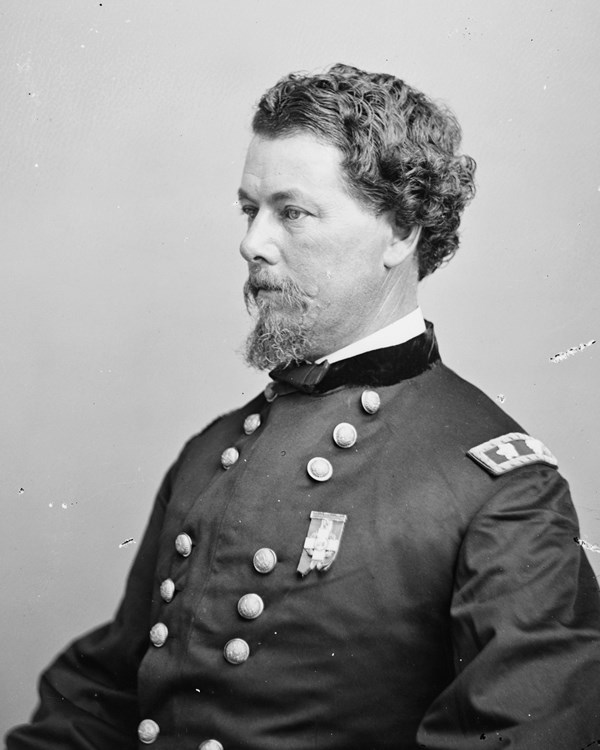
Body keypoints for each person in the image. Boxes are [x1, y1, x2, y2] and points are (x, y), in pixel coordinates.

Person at [6, 63, 600, 750]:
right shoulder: (212, 451)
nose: (252, 243)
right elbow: (106, 693)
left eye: (292, 213)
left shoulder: (499, 488)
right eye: (249, 210)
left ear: (401, 231)